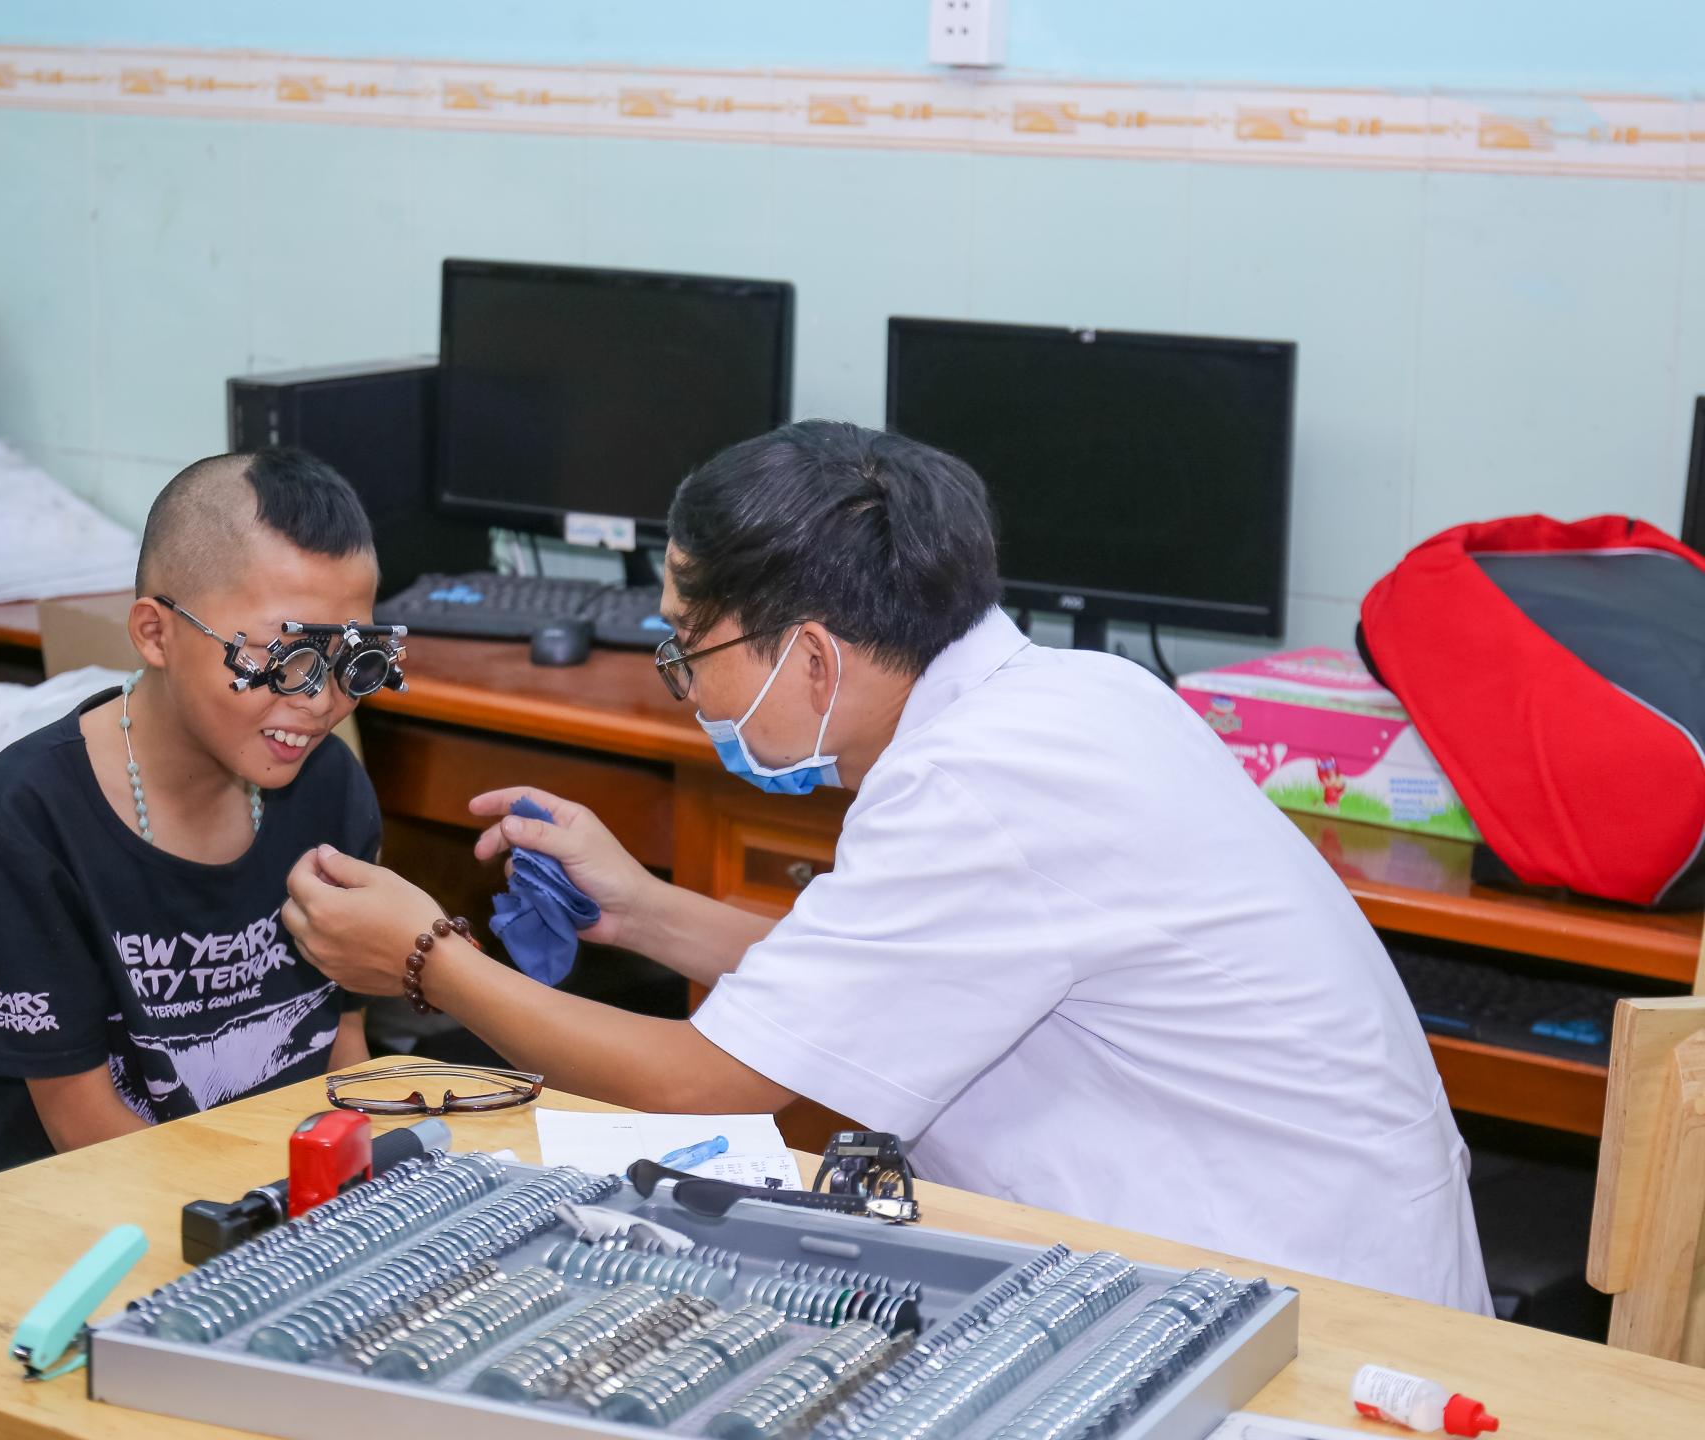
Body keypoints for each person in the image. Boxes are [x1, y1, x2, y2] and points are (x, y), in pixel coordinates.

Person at [284, 420, 1492, 1313]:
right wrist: (645, 913)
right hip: (1305, 1243)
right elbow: (886, 986)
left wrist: (427, 962)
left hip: (1293, 1300)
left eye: (685, 650)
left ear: (809, 657)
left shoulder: (976, 787)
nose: (685, 685)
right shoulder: (1073, 692)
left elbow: (711, 1084)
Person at [0, 448, 385, 1177]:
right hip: (95, 1224)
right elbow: (80, 1121)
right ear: (154, 633)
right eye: (282, 657)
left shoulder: (329, 786)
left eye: (350, 660)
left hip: (285, 1205)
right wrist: (261, 1214)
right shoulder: (27, 821)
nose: (319, 700)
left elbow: (343, 1044)